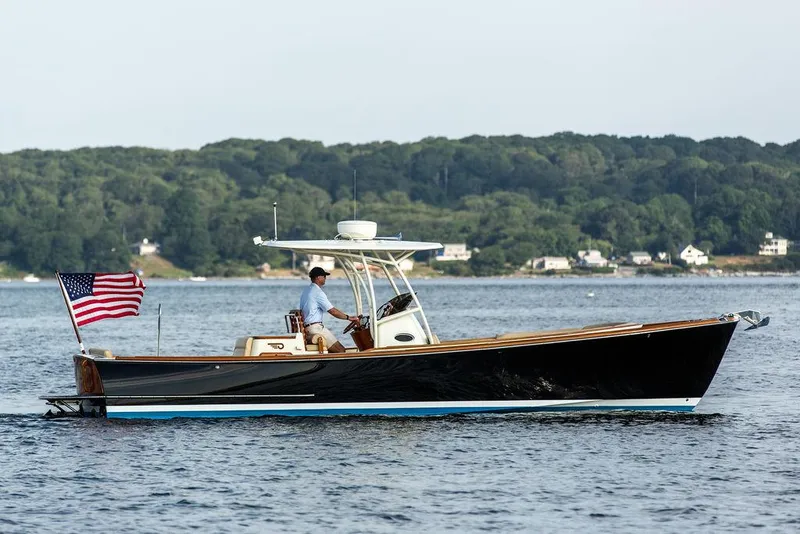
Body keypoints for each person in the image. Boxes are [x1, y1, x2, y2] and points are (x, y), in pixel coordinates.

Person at [299, 266, 358, 353]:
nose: (325, 278)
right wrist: (349, 318)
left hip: (308, 328)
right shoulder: (318, 292)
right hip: (315, 328)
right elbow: (332, 311)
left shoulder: (306, 290)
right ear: (318, 277)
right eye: (324, 276)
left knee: (334, 349)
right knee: (341, 350)